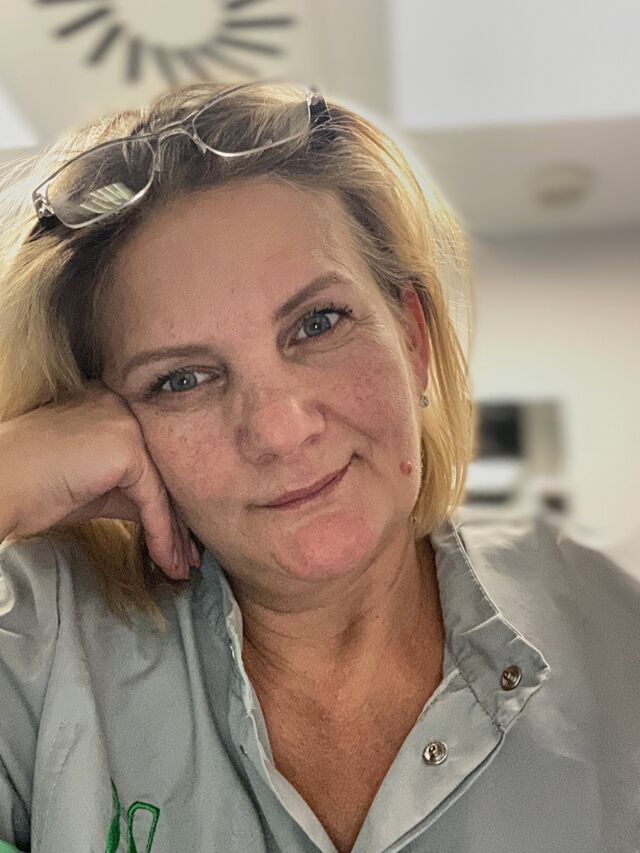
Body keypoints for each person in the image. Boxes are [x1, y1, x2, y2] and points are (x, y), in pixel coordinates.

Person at [0, 81, 637, 853]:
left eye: (318, 323)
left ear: (413, 341)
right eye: (181, 379)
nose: (280, 429)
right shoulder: (37, 650)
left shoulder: (616, 628)